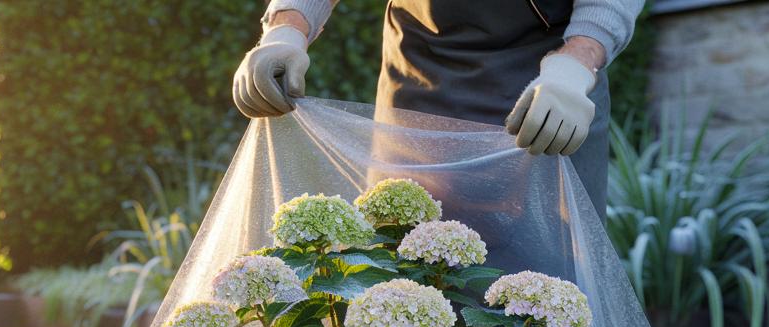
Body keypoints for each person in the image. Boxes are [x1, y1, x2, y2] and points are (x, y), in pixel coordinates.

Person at [232, 0, 644, 219]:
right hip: (418, 80)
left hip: (550, 87)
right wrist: (287, 28)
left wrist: (576, 63)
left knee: (549, 304)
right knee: (405, 282)